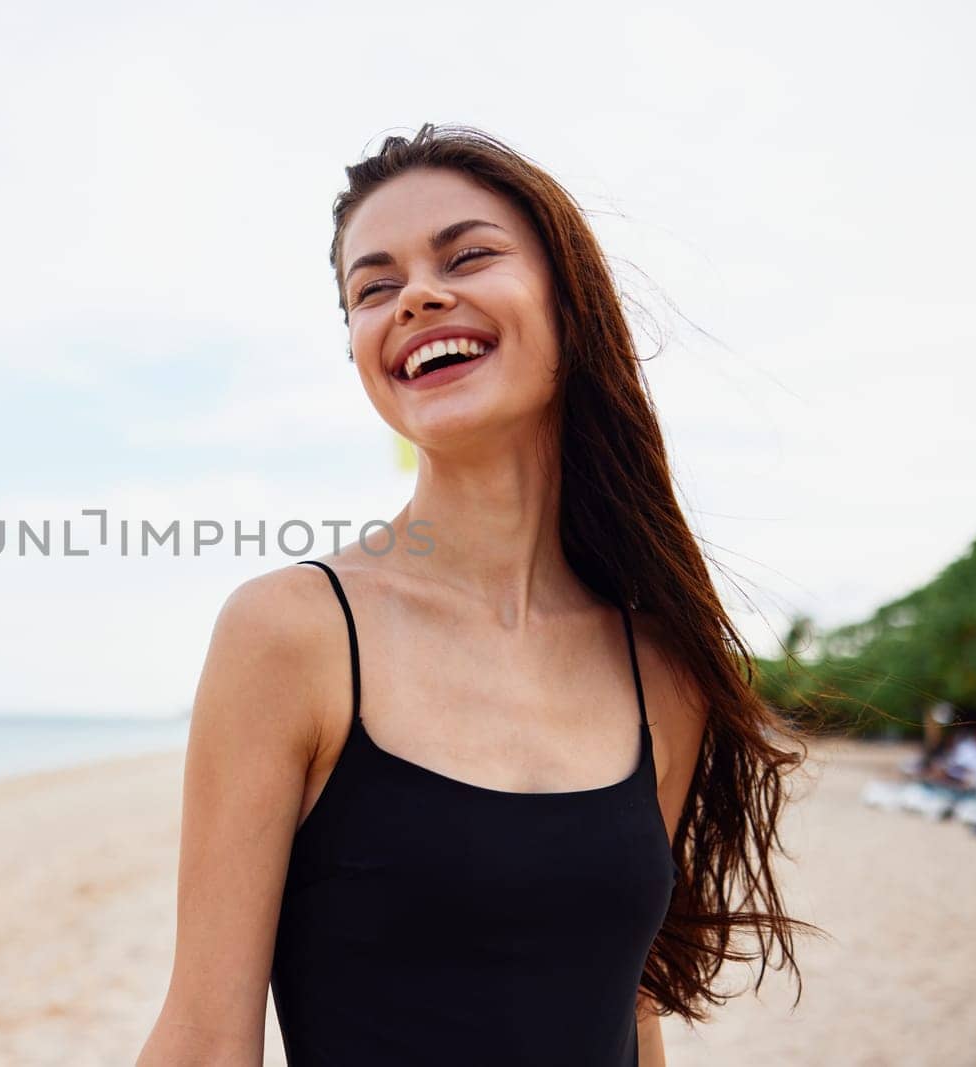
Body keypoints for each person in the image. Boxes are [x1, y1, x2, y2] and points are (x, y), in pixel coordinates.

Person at [137, 124, 821, 1066]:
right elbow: (207, 1037)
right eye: (373, 287)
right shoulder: (292, 634)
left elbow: (631, 1009)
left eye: (468, 255)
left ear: (568, 302)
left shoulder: (662, 665)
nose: (415, 294)